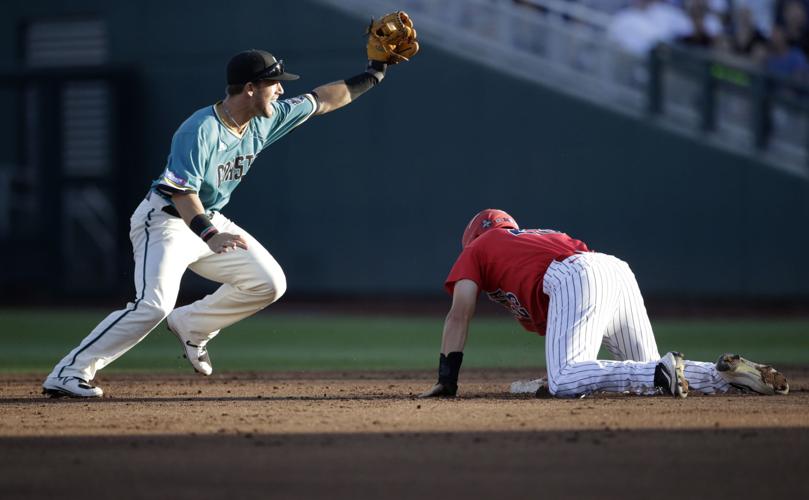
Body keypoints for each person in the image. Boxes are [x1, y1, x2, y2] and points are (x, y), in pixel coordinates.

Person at [42, 12, 419, 398]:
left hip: (209, 219)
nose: (280, 92)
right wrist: (209, 234)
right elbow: (180, 191)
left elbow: (322, 100)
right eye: (274, 84)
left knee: (269, 283)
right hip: (168, 222)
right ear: (251, 88)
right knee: (151, 306)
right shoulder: (199, 129)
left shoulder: (265, 119)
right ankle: (69, 372)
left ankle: (192, 324)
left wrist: (375, 72)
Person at [419, 209, 790, 399]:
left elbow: (458, 314)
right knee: (654, 379)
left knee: (570, 380)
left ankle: (658, 372)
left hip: (573, 274)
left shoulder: (481, 247)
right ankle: (728, 376)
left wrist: (446, 380)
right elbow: (576, 333)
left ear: (473, 238)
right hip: (612, 270)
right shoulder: (529, 243)